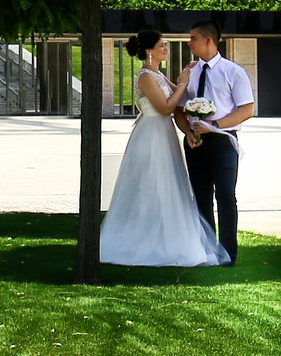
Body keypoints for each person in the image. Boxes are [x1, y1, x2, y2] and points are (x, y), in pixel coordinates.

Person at [99, 28, 231, 268]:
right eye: (162, 45)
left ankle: (167, 236)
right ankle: (145, 239)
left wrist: (189, 78)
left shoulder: (157, 74)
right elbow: (166, 107)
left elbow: (180, 97)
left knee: (169, 185)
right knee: (152, 184)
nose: (165, 49)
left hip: (164, 134)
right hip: (151, 135)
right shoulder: (145, 76)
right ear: (149, 50)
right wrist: (182, 83)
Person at [177, 18, 254, 261]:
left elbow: (246, 109)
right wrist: (189, 133)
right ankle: (206, 251)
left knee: (225, 195)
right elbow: (179, 109)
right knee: (201, 197)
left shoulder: (233, 71)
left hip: (223, 141)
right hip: (195, 142)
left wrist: (215, 126)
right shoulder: (189, 72)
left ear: (208, 40)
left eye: (193, 38)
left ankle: (228, 253)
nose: (189, 43)